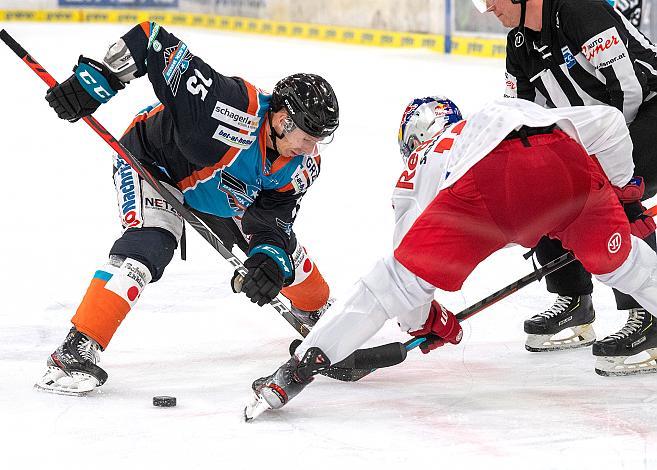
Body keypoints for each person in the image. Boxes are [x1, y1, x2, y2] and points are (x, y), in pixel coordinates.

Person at [244, 96, 657, 420]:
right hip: (566, 171)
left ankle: (295, 373)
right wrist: (620, 193)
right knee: (632, 268)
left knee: (390, 282)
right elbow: (610, 123)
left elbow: (407, 280)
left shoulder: (417, 165)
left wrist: (424, 320)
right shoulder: (492, 113)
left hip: (486, 188)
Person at [34, 22, 339, 395]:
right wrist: (95, 82)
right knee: (149, 246)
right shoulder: (227, 104)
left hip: (224, 193)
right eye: (306, 138)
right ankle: (75, 349)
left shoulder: (302, 165)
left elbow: (273, 220)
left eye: (318, 141)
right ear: (281, 120)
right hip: (152, 164)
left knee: (286, 256)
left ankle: (322, 314)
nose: (310, 149)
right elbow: (151, 40)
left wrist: (268, 260)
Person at [472, 0, 657, 355]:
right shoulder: (519, 45)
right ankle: (574, 301)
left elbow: (629, 89)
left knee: (608, 191)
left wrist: (599, 156)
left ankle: (648, 310)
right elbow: (521, 118)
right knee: (544, 186)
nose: (489, 7)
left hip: (650, 112)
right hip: (604, 136)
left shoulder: (577, 10)